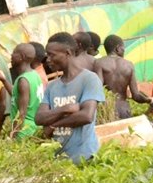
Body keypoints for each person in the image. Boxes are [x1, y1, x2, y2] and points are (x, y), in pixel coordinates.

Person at [36, 32, 105, 163]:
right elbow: (39, 118)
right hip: (59, 159)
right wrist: (65, 109)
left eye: (51, 55)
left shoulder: (89, 79)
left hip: (85, 157)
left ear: (67, 53)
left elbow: (86, 116)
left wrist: (53, 125)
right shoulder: (52, 86)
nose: (48, 60)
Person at [94, 34, 151, 120]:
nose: (124, 50)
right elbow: (136, 95)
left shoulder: (99, 63)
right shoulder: (129, 65)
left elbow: (97, 90)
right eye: (123, 48)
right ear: (117, 48)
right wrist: (149, 100)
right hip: (124, 108)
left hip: (107, 108)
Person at [9, 43, 44, 138]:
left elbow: (22, 113)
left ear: (22, 57)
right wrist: (4, 80)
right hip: (34, 127)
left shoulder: (23, 80)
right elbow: (17, 95)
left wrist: (13, 135)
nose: (11, 55)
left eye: (14, 53)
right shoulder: (34, 75)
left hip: (24, 130)